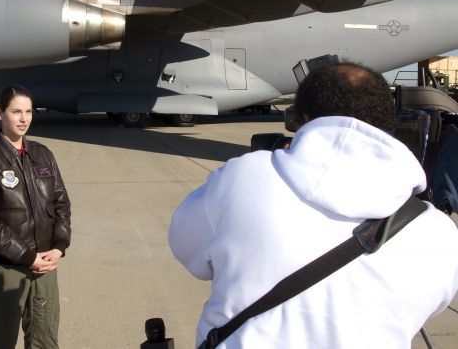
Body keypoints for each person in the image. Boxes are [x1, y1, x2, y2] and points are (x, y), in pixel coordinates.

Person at [169, 63, 458, 348]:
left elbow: (185, 245)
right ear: (388, 119)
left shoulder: (240, 177)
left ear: (302, 118)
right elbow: (432, 304)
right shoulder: (438, 233)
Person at [0, 85, 71, 349]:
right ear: (0, 114)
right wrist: (27, 257)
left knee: (44, 340)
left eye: (28, 111)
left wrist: (59, 246)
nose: (24, 119)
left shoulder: (43, 154)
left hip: (45, 266)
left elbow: (61, 203)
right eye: (16, 112)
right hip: (7, 268)